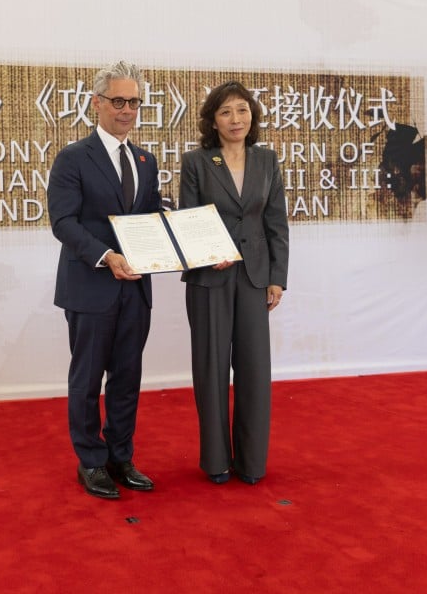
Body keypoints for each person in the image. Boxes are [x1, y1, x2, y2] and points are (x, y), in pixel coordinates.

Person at [47, 60, 162, 500]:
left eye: (134, 102)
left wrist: (187, 239)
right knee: (87, 378)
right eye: (118, 101)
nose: (127, 110)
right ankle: (91, 461)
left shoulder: (145, 160)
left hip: (135, 289)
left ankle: (120, 456)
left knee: (128, 377)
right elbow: (63, 223)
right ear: (97, 103)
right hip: (91, 287)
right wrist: (106, 256)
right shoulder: (73, 158)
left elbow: (149, 219)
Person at [178, 81, 289, 486]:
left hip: (255, 276)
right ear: (213, 120)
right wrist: (208, 253)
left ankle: (252, 463)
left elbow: (276, 222)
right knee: (210, 369)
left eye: (242, 110)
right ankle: (216, 461)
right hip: (210, 277)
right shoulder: (197, 162)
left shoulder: (267, 161)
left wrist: (277, 278)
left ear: (252, 116)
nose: (235, 119)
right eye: (226, 112)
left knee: (255, 370)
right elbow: (188, 219)